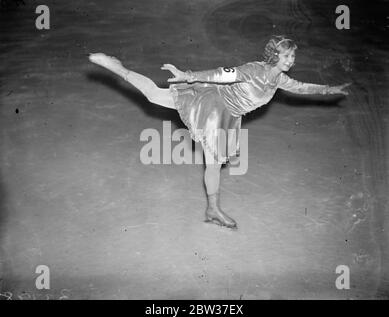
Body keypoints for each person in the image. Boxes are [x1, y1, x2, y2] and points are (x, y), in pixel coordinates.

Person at [89, 35, 351, 230]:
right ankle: (116, 67)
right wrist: (188, 75)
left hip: (229, 117)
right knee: (154, 95)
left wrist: (329, 89)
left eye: (293, 57)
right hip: (212, 105)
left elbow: (301, 87)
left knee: (213, 164)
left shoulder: (278, 79)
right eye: (287, 57)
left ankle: (212, 209)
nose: (291, 61)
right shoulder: (254, 70)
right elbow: (222, 74)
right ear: (275, 56)